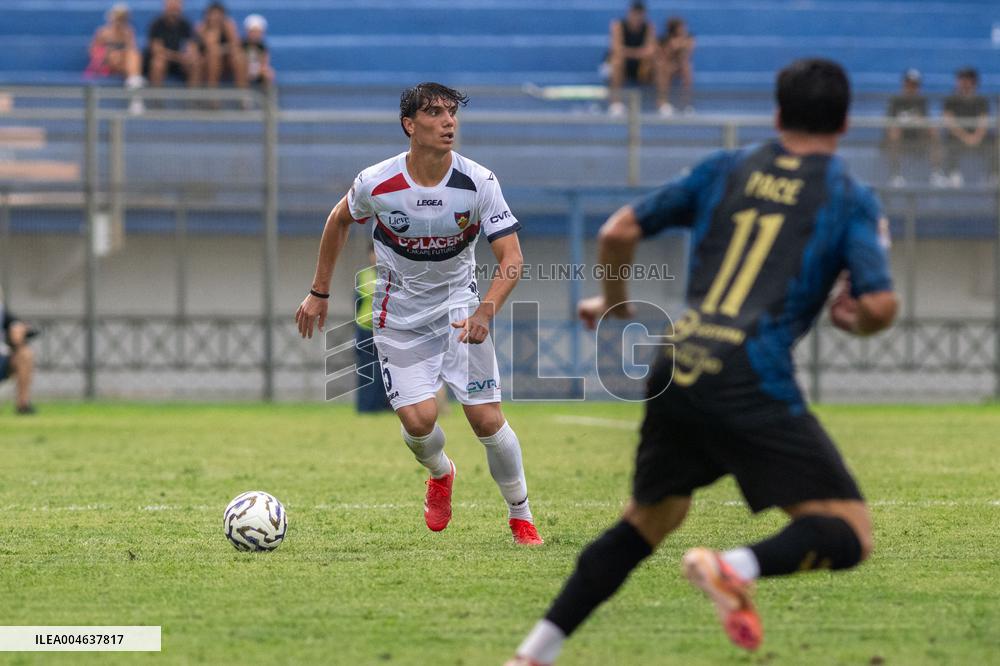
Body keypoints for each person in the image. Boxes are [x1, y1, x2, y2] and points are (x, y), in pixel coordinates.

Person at [506, 58, 898, 665]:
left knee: (650, 519)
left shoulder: (729, 167)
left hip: (678, 359)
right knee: (849, 532)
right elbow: (878, 304)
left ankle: (533, 654)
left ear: (777, 113)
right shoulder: (848, 195)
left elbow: (619, 230)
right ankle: (730, 567)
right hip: (750, 371)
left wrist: (615, 306)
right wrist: (858, 318)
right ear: (845, 123)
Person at [295, 82, 544, 546]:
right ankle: (440, 472)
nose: (448, 121)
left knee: (486, 420)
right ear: (410, 125)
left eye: (452, 113)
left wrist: (485, 311)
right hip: (399, 315)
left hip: (459, 310)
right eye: (435, 113)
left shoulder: (479, 182)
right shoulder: (377, 182)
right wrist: (319, 292)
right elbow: (338, 221)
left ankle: (521, 516)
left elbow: (512, 258)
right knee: (419, 421)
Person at [884, 68, 944, 187]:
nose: (911, 87)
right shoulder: (895, 100)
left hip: (917, 134)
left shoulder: (922, 101)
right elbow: (889, 122)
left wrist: (919, 121)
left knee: (934, 132)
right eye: (909, 84)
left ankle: (936, 173)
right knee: (894, 132)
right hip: (900, 134)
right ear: (904, 84)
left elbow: (926, 121)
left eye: (914, 85)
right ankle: (896, 174)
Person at [606, 1, 666, 117]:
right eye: (634, 14)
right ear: (629, 13)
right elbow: (616, 49)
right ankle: (615, 103)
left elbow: (651, 50)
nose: (637, 18)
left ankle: (662, 103)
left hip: (641, 67)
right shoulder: (618, 25)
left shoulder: (649, 27)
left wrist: (628, 52)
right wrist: (640, 52)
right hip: (623, 65)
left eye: (640, 15)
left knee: (660, 63)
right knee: (617, 61)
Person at [86, 3, 146, 114]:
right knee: (120, 57)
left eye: (123, 18)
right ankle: (136, 90)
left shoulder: (128, 32)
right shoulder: (103, 32)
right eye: (118, 17)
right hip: (106, 66)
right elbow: (93, 53)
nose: (120, 21)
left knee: (134, 55)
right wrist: (108, 53)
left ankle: (134, 85)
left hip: (123, 65)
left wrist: (122, 49)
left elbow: (132, 51)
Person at [354, 244, 392, 413]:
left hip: (388, 330)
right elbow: (357, 302)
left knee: (388, 369)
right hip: (366, 329)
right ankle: (366, 407)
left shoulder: (395, 276)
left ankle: (387, 406)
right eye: (373, 253)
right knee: (367, 369)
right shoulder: (363, 276)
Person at [941, 67, 993, 187]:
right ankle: (952, 173)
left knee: (995, 140)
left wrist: (976, 137)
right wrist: (965, 137)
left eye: (968, 79)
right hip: (957, 135)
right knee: (947, 139)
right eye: (962, 79)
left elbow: (984, 121)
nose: (965, 82)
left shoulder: (981, 100)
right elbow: (948, 121)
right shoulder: (951, 99)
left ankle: (992, 174)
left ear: (974, 81)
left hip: (978, 135)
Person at [144, 0, 201, 88]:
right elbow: (157, 50)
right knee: (158, 63)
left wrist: (189, 55)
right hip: (166, 60)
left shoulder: (186, 25)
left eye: (177, 5)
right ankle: (155, 100)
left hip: (180, 63)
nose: (174, 8)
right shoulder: (156, 25)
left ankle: (193, 98)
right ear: (165, 7)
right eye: (171, 5)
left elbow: (192, 46)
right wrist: (179, 57)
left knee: (195, 62)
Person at [0, 288, 37, 415]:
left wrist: (19, 331)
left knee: (25, 354)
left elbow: (18, 325)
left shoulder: (2, 313)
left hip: (2, 359)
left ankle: (23, 404)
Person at [196, 2, 247, 91]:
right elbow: (211, 48)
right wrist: (215, 31)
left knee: (239, 57)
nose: (215, 17)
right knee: (214, 58)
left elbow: (236, 45)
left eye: (218, 14)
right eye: (212, 14)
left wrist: (222, 48)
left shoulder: (229, 26)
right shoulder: (201, 27)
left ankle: (242, 94)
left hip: (227, 61)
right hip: (206, 62)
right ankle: (212, 94)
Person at [656, 16, 696, 116]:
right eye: (681, 27)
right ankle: (662, 103)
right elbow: (663, 56)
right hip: (666, 66)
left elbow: (688, 53)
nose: (684, 29)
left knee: (687, 68)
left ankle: (686, 105)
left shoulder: (689, 37)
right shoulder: (664, 40)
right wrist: (672, 47)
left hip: (680, 66)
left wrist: (679, 45)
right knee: (663, 68)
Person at [242, 14, 274, 90]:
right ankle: (244, 98)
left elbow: (265, 63)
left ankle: (266, 99)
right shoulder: (241, 45)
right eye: (252, 32)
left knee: (268, 73)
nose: (255, 34)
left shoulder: (262, 47)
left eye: (258, 32)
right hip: (243, 69)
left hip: (257, 69)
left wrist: (260, 70)